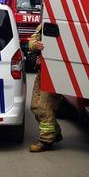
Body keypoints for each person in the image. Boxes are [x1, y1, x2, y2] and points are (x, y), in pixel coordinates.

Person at [27, 24, 63, 152]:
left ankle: (46, 141)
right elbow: (32, 41)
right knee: (35, 106)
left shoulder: (65, 24)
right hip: (43, 72)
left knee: (44, 107)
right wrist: (35, 45)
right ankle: (55, 133)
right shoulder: (44, 25)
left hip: (56, 71)